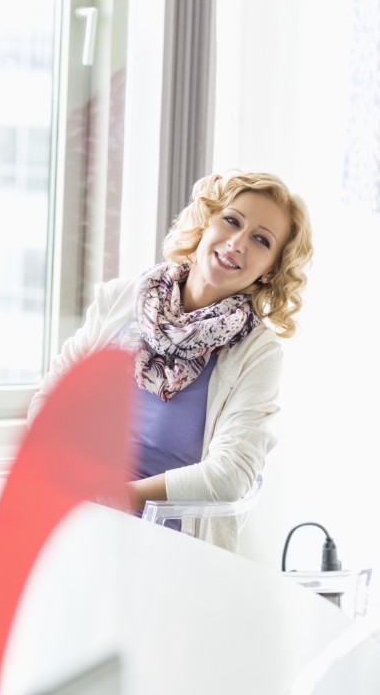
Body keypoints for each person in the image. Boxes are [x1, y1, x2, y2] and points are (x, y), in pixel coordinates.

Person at [28, 170, 313, 552]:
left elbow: (231, 476)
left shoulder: (257, 353)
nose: (237, 243)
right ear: (205, 222)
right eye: (231, 220)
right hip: (74, 518)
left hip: (165, 549)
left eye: (261, 240)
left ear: (271, 270)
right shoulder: (121, 299)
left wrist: (117, 497)